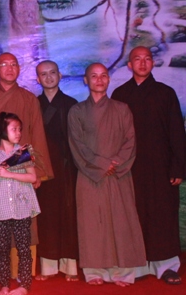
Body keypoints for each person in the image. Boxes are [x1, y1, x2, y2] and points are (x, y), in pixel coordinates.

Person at [112, 46, 186, 285]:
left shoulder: (166, 93)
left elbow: (177, 132)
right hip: (130, 167)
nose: (143, 63)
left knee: (162, 214)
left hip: (161, 167)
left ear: (153, 63)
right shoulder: (120, 94)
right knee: (133, 215)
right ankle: (136, 266)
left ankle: (167, 267)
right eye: (137, 59)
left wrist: (178, 166)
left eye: (147, 59)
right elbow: (113, 134)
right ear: (129, 65)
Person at [68, 63, 146, 286]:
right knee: (92, 223)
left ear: (109, 79)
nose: (99, 80)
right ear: (86, 80)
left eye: (103, 75)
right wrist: (103, 164)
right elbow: (77, 145)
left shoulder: (122, 109)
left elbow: (131, 141)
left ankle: (122, 272)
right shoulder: (77, 111)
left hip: (119, 174)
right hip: (90, 174)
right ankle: (95, 271)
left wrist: (116, 163)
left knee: (121, 222)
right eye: (94, 76)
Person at [0, 53, 53, 282]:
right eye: (4, 64)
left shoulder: (29, 99)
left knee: (24, 221)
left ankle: (23, 272)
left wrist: (38, 172)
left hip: (23, 166)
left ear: (19, 69)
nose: (9, 68)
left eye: (14, 64)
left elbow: (37, 134)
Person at [0, 113, 40, 295]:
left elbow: (32, 177)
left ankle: (24, 286)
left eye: (19, 129)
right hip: (0, 208)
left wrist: (10, 174)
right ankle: (4, 286)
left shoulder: (23, 152)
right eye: (14, 129)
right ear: (2, 131)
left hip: (21, 206)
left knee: (23, 249)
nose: (18, 132)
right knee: (2, 250)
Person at [33, 61, 79, 282]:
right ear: (37, 79)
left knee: (68, 215)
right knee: (46, 216)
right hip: (42, 169)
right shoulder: (34, 104)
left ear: (60, 75)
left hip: (67, 168)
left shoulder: (71, 104)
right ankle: (48, 267)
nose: (49, 77)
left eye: (52, 73)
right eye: (43, 74)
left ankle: (70, 265)